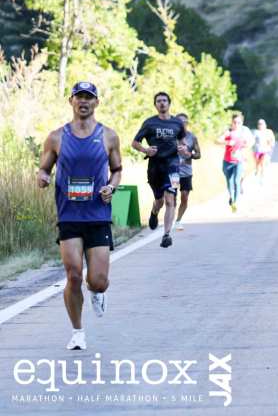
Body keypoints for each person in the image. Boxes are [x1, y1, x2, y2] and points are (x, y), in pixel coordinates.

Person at [37, 82, 122, 350]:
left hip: (97, 215)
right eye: (79, 97)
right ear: (70, 101)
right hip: (69, 216)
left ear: (96, 102)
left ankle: (97, 292)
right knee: (73, 275)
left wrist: (112, 186)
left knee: (97, 281)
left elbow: (117, 169)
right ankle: (77, 332)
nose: (83, 102)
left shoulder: (109, 136)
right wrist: (42, 178)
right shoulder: (56, 137)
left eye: (89, 97)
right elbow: (44, 169)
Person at [132, 92, 185, 248]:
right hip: (155, 168)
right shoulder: (149, 123)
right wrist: (146, 150)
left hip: (173, 166)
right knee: (160, 201)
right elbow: (135, 143)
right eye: (158, 101)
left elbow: (182, 141)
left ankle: (166, 234)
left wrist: (182, 148)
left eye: (164, 101)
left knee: (171, 199)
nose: (162, 103)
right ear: (155, 105)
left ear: (169, 103)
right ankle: (154, 212)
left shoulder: (177, 123)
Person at [217, 113, 251, 213]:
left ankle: (235, 203)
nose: (236, 124)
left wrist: (243, 148)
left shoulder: (244, 133)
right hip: (227, 161)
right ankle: (231, 197)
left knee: (236, 181)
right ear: (232, 122)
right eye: (234, 122)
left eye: (238, 122)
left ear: (242, 123)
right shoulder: (228, 132)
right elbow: (217, 140)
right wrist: (227, 142)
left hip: (239, 161)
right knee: (229, 182)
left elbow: (249, 143)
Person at [174, 113, 200, 231]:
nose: (182, 124)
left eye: (184, 122)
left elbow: (198, 154)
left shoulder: (192, 137)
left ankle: (178, 220)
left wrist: (190, 154)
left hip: (186, 172)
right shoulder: (171, 136)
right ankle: (170, 216)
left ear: (187, 124)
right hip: (173, 171)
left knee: (184, 197)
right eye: (180, 122)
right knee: (172, 196)